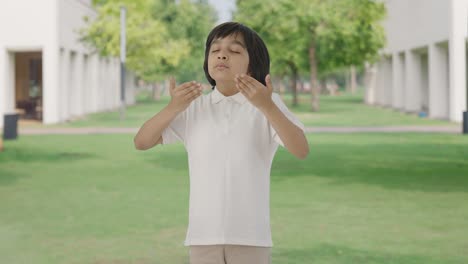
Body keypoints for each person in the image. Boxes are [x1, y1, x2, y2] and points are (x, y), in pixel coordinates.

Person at [134, 22, 309, 264]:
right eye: (215, 50)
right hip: (202, 236)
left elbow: (300, 149)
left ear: (253, 65)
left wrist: (267, 106)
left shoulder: (268, 104)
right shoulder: (194, 107)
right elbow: (142, 141)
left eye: (235, 50)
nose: (222, 54)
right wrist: (173, 107)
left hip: (251, 236)